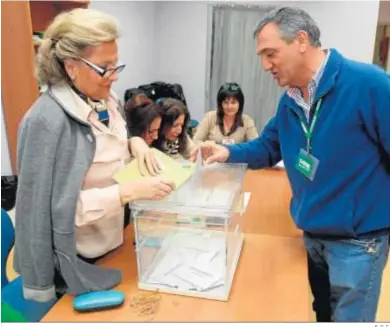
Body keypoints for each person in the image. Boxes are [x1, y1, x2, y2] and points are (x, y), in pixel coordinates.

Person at [191, 7, 390, 322]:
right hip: (313, 234)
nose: (265, 65)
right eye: (261, 56)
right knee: (322, 313)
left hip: (357, 241)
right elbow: (268, 147)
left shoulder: (370, 85)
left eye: (270, 54)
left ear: (301, 40)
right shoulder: (290, 100)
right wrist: (227, 153)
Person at [14, 8, 174, 303]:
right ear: (71, 66)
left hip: (113, 242)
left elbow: (102, 146)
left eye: (117, 65)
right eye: (104, 68)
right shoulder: (45, 122)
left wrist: (134, 144)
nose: (113, 77)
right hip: (76, 262)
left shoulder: (103, 98)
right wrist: (126, 192)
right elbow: (51, 213)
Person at [193, 82, 258, 145]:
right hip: (213, 155)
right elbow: (196, 140)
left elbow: (255, 146)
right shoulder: (210, 117)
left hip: (237, 156)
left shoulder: (247, 121)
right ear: (220, 104)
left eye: (233, 102)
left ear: (240, 104)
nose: (230, 107)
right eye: (226, 102)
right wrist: (210, 147)